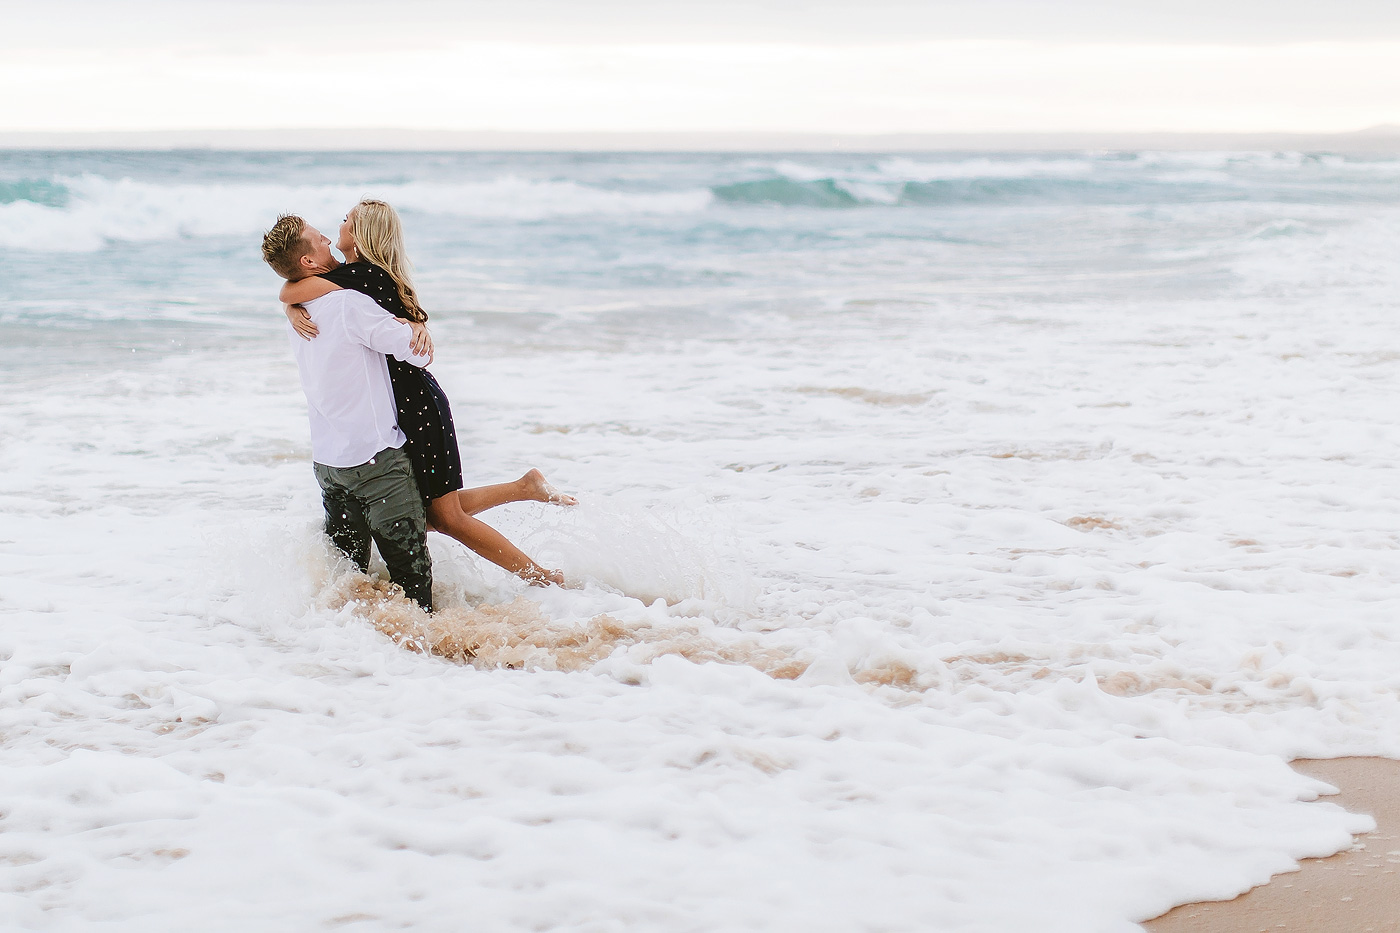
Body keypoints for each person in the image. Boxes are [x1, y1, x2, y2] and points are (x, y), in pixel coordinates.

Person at [277, 199, 573, 587]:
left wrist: (290, 303)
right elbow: (298, 285)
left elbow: (293, 285)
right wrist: (291, 305)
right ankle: (525, 488)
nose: (336, 229)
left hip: (417, 407)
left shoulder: (365, 278)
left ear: (363, 234)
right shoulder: (359, 276)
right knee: (431, 514)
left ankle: (544, 577)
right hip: (402, 404)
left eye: (346, 220)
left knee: (445, 518)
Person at [261, 213, 436, 610]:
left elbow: (292, 297)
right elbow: (419, 354)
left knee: (345, 587)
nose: (326, 238)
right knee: (415, 593)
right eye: (318, 238)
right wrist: (413, 323)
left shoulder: (300, 310)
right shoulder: (349, 303)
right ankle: (421, 667)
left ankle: (344, 660)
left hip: (329, 465)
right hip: (377, 464)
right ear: (308, 262)